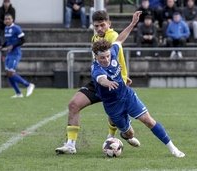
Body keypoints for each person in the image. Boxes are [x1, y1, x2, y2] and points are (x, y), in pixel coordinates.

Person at [91, 11, 185, 158]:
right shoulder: (96, 69)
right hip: (112, 105)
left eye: (107, 56)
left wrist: (132, 24)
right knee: (129, 133)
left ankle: (173, 148)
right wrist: (107, 82)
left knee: (148, 120)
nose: (106, 59)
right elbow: (101, 79)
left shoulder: (113, 51)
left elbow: (119, 40)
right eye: (102, 58)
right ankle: (124, 134)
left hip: (127, 96)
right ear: (96, 57)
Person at [55, 10, 135, 154]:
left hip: (115, 84)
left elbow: (118, 43)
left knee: (123, 127)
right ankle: (70, 145)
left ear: (109, 24)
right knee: (74, 104)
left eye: (102, 25)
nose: (99, 29)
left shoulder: (112, 35)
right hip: (98, 82)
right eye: (96, 26)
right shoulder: (95, 38)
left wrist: (123, 76)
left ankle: (113, 137)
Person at [0, 14, 35, 98]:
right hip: (9, 53)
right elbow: (8, 41)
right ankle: (18, 93)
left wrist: (13, 46)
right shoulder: (6, 28)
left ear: (12, 20)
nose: (7, 20)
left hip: (15, 53)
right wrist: (2, 46)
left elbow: (23, 40)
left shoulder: (16, 28)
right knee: (8, 73)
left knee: (11, 72)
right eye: (6, 19)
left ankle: (28, 85)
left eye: (9, 19)